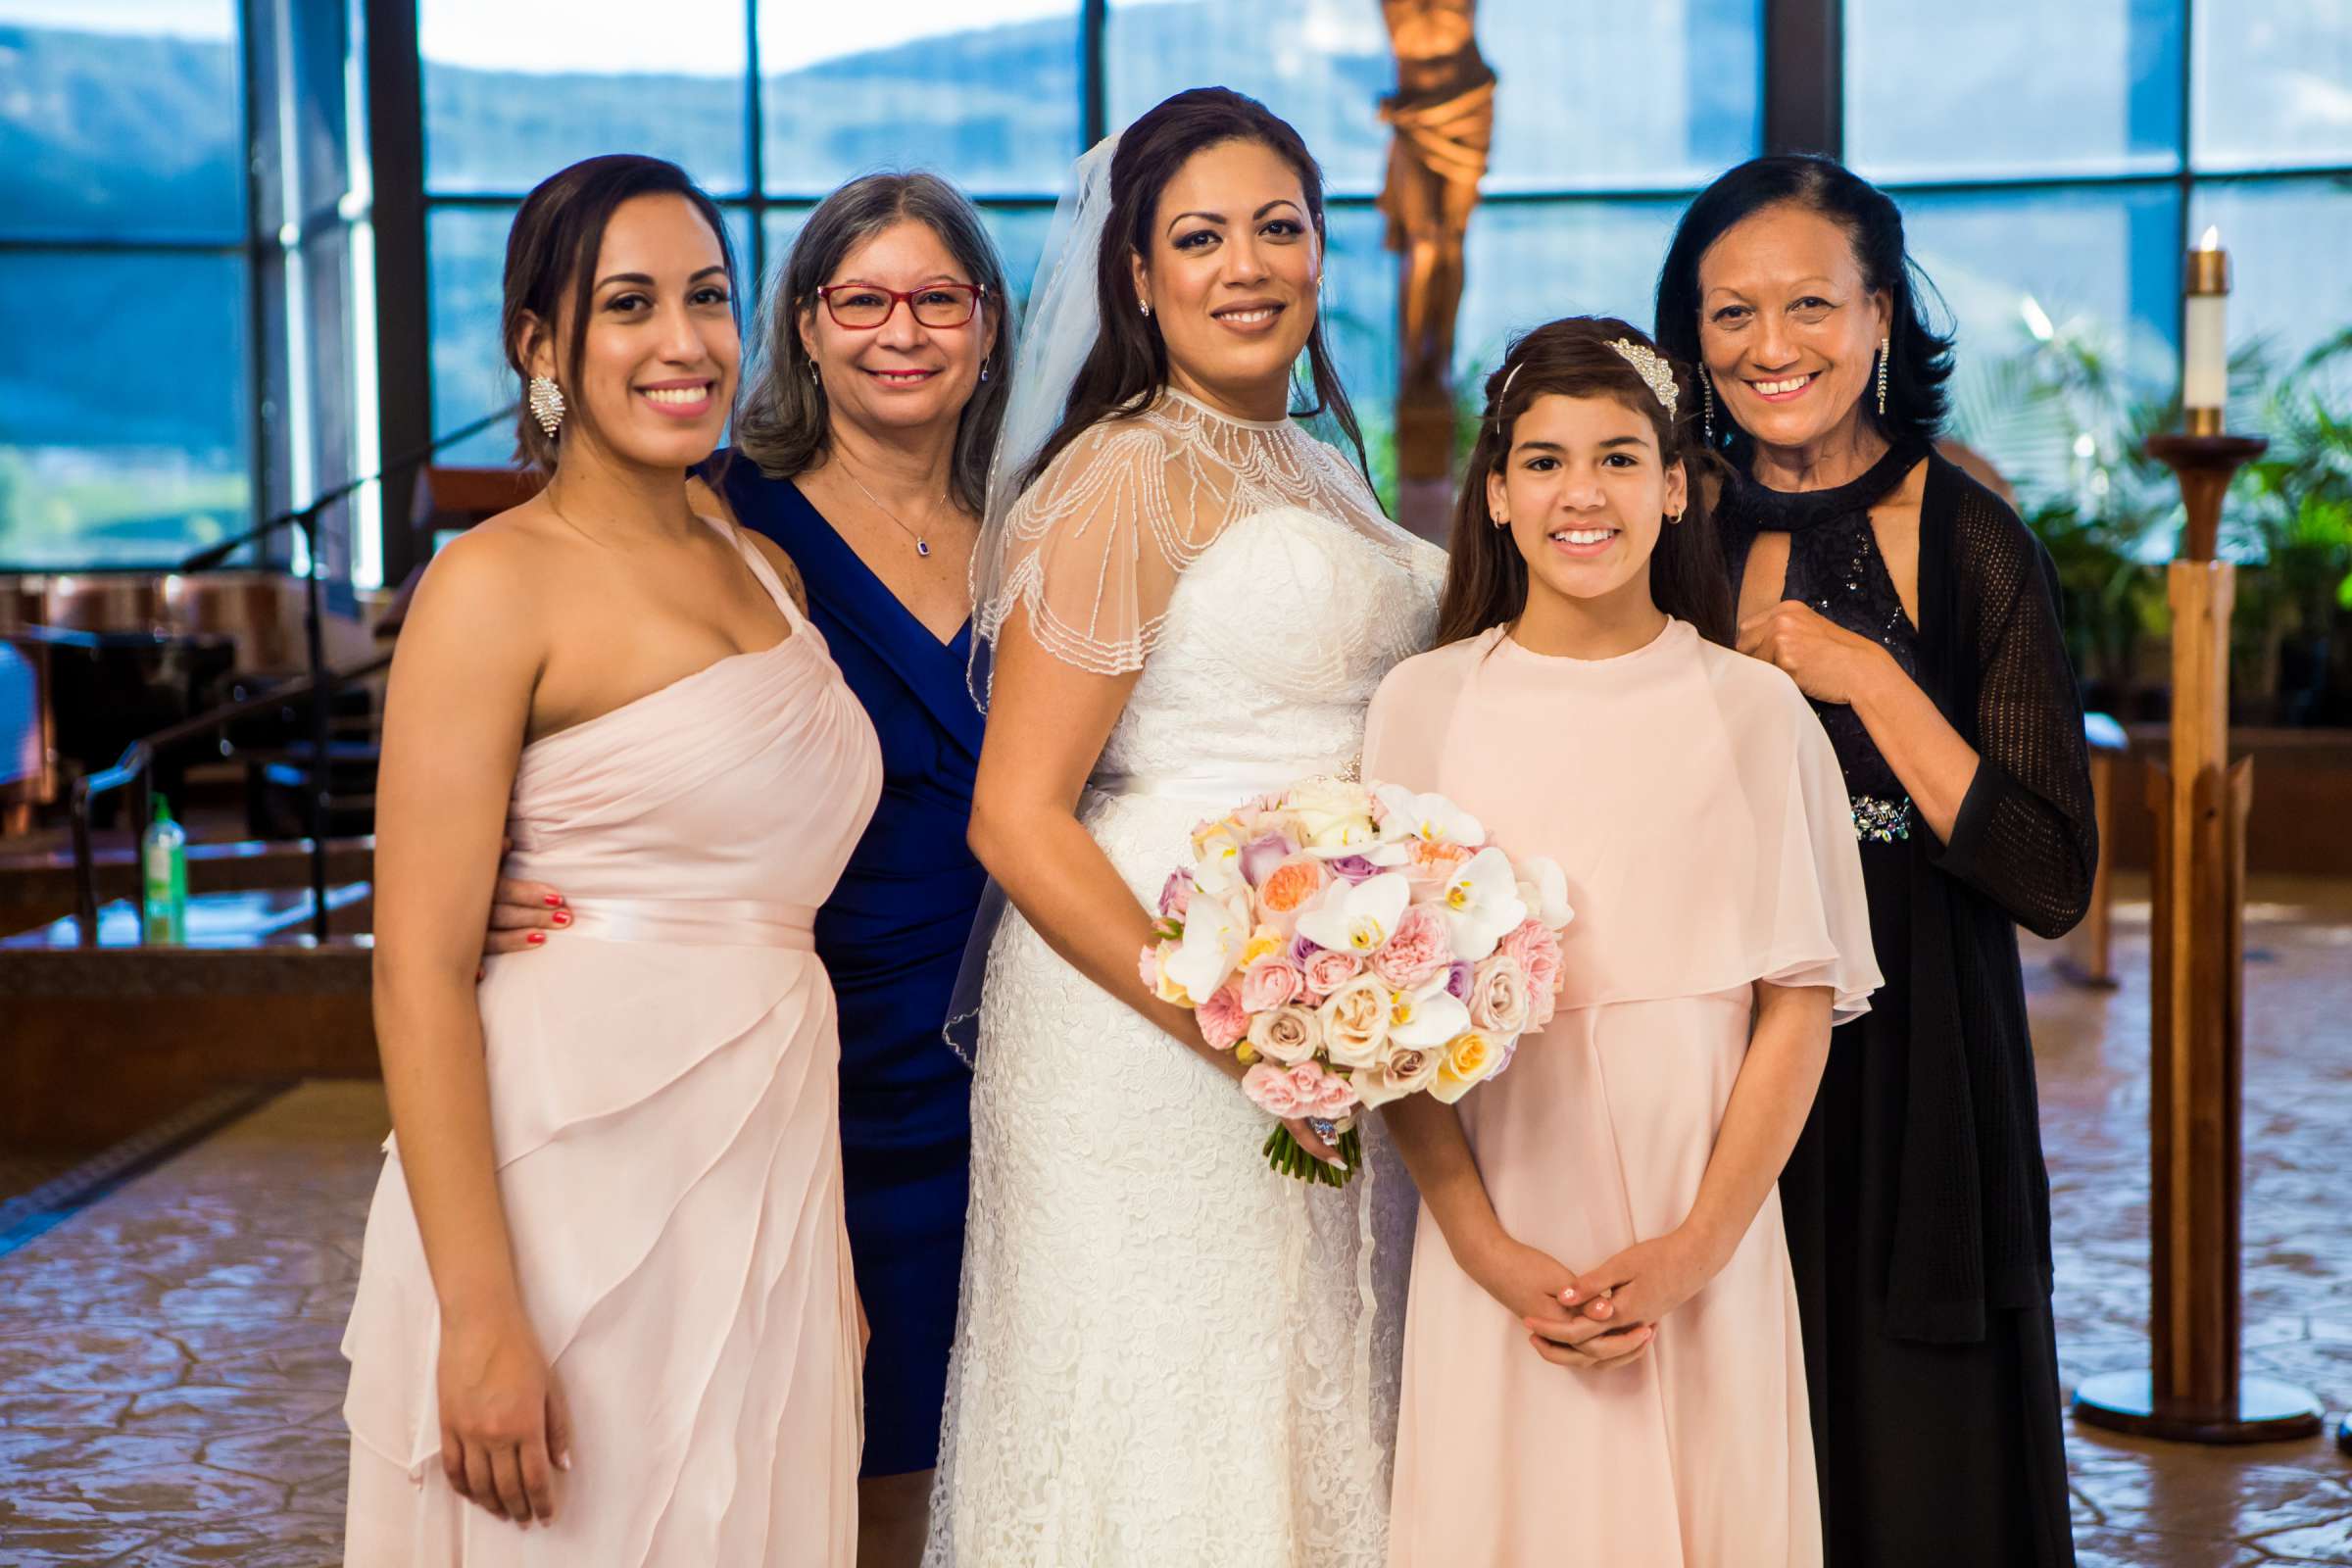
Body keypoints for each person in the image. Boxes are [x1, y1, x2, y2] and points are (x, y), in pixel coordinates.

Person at [926, 88, 1446, 1566]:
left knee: (1309, 1383)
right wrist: (1238, 1025)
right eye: (1200, 237)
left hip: (1327, 996)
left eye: (1278, 227)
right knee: (1166, 1415)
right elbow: (1017, 820)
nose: (1247, 265)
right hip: (1147, 1013)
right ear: (1139, 279)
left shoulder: (1319, 463)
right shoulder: (1125, 474)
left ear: (1321, 251)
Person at [342, 153, 879, 1564]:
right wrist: (480, 1315)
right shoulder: (490, 582)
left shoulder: (751, 553)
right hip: (567, 1169)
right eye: (628, 304)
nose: (684, 342)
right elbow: (418, 972)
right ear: (542, 347)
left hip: (766, 1159)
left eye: (707, 297)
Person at [480, 170, 1008, 1568]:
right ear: (809, 326)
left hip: (1028, 1067)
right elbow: (576, 737)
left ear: (992, 325)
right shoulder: (727, 519)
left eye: (937, 298)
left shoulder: (1048, 529)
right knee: (800, 1473)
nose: (901, 331)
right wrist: (487, 873)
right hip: (815, 1081)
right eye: (861, 299)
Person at [1371, 318, 1880, 1566]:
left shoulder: (1752, 710)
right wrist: (1481, 1244)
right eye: (1542, 461)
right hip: (1504, 1199)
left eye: (1616, 457)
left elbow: (1798, 1006)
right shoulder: (1421, 702)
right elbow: (1382, 1012)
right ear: (1494, 494)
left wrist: (1697, 1246)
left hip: (1694, 1202)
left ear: (1674, 487)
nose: (1579, 493)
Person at [1651, 153, 2096, 1567]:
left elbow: (2047, 875)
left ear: (1884, 317)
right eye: (1730, 314)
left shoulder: (1970, 540)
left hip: (1918, 1065)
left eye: (1809, 307)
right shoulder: (1668, 528)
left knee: (1916, 1465)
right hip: (1705, 1053)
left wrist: (1866, 675)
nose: (1770, 348)